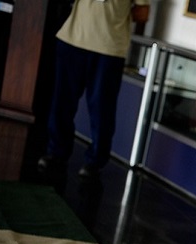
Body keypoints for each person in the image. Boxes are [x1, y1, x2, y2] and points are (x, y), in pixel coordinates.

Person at [37, 0, 150, 179]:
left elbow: (143, 13)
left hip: (108, 49)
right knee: (61, 102)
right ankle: (56, 152)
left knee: (101, 109)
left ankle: (94, 162)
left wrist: (116, 14)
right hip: (72, 40)